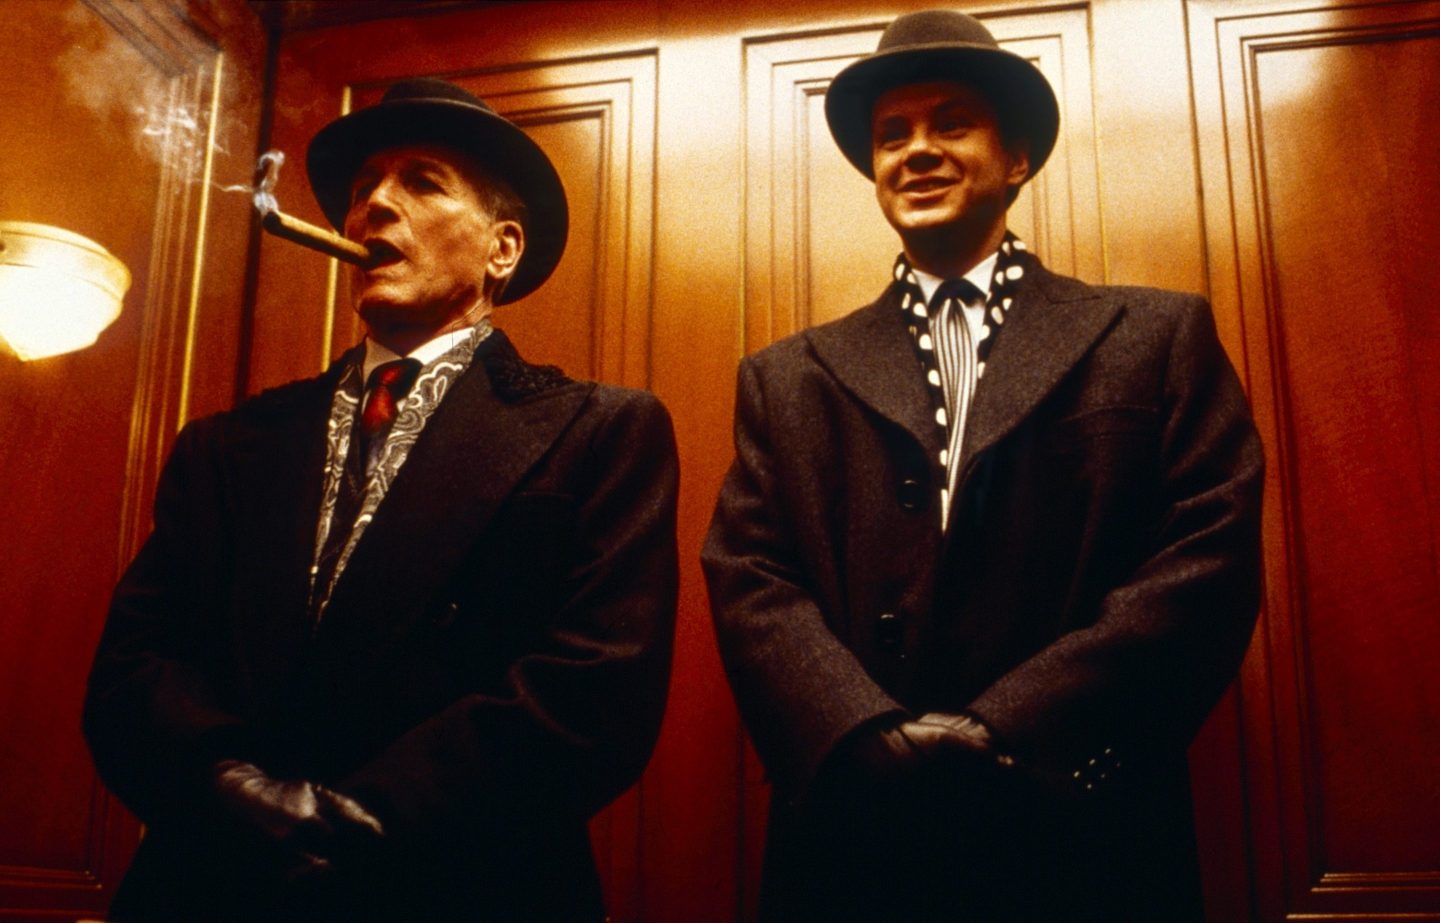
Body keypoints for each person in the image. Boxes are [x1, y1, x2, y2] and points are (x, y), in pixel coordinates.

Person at [702, 10, 1264, 921]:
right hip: (859, 834)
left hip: (1082, 826)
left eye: (950, 123)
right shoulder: (784, 376)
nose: (915, 150)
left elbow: (1208, 560)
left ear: (1017, 159)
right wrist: (861, 731)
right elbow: (749, 577)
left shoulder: (1156, 335)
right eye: (893, 135)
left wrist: (1010, 723)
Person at [83, 78, 678, 922]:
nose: (372, 208)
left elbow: (593, 692)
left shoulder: (601, 432)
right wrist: (231, 787)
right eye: (364, 191)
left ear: (502, 249)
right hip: (218, 883)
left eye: (422, 183)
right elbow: (134, 668)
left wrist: (361, 819)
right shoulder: (228, 443)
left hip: (459, 891)